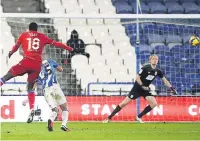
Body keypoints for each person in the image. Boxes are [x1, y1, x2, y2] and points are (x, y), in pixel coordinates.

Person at [0, 22, 73, 123]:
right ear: (36, 29)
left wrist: (11, 52)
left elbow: (16, 47)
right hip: (37, 65)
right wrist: (69, 48)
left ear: (29, 29)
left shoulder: (23, 35)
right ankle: (32, 109)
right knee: (30, 87)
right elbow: (56, 43)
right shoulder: (42, 36)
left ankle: (1, 83)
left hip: (26, 61)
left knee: (8, 75)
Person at [103, 54, 177, 123]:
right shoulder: (145, 67)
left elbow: (165, 80)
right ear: (150, 60)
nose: (155, 60)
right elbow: (137, 77)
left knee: (154, 103)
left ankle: (138, 117)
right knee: (124, 103)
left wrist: (171, 88)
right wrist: (142, 86)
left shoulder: (158, 71)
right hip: (137, 88)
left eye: (156, 59)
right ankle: (109, 118)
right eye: (153, 59)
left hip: (145, 89)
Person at [22, 59, 70, 132]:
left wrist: (28, 99)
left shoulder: (35, 71)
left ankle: (51, 120)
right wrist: (60, 67)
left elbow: (34, 86)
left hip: (46, 90)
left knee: (54, 110)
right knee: (64, 107)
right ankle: (63, 125)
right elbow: (60, 69)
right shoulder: (50, 61)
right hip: (55, 86)